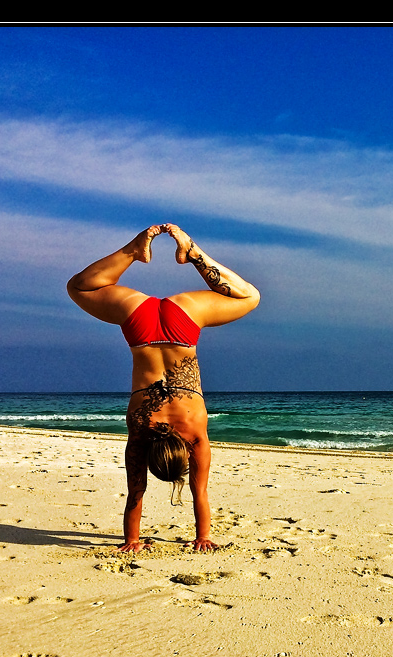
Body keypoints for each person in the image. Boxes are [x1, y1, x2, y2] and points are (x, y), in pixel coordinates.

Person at [67, 224, 260, 552]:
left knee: (249, 297)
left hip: (183, 324)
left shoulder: (195, 434)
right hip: (139, 325)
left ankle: (184, 251)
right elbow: (137, 495)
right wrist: (132, 540)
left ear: (183, 454)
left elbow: (196, 493)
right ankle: (142, 251)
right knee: (80, 288)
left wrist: (203, 537)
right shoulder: (141, 431)